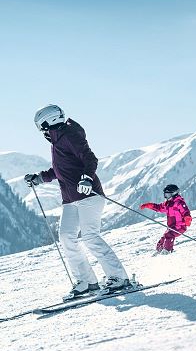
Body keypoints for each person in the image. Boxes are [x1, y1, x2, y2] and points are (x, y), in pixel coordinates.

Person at [24, 104, 129, 299]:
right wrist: (39, 178)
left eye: (42, 126)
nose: (42, 131)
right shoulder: (57, 141)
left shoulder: (70, 135)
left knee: (90, 236)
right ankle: (87, 282)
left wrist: (87, 178)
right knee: (66, 237)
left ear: (50, 121)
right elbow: (60, 170)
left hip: (88, 195)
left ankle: (119, 277)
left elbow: (90, 159)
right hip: (70, 199)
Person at [140, 185, 192, 254]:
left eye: (167, 195)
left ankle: (167, 251)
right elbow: (158, 207)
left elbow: (185, 212)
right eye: (165, 195)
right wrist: (148, 205)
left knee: (169, 235)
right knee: (163, 239)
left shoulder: (179, 203)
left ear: (173, 194)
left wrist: (187, 219)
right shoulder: (167, 204)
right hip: (171, 227)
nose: (166, 197)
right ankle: (159, 251)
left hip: (180, 227)